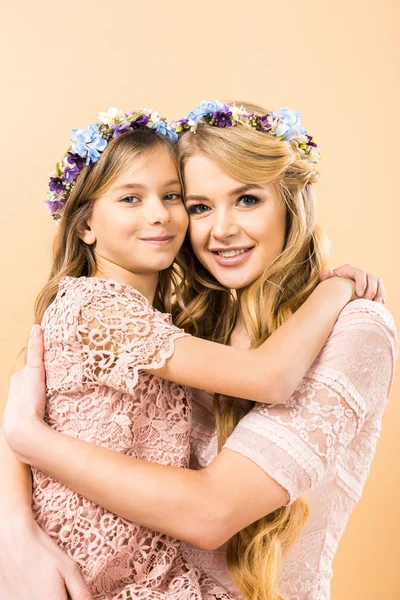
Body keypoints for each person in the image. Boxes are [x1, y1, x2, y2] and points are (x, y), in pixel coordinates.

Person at [1, 101, 396, 600]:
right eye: (201, 206)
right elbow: (41, 405)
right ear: (85, 224)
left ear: (291, 202)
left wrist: (29, 438)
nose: (221, 229)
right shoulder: (182, 319)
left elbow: (210, 514)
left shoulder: (354, 327)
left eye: (248, 200)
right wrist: (15, 532)